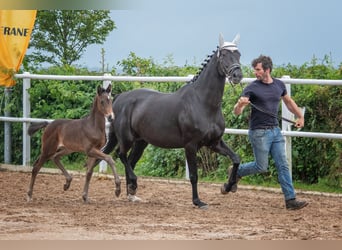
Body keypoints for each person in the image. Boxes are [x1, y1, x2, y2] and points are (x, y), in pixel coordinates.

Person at [231, 55, 308, 210]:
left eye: (258, 69)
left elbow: (288, 102)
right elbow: (237, 112)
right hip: (259, 133)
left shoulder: (279, 85)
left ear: (267, 70)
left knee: (283, 165)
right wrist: (240, 105)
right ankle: (237, 171)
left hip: (275, 131)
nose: (255, 72)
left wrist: (300, 116)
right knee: (261, 167)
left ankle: (290, 200)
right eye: (255, 70)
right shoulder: (252, 88)